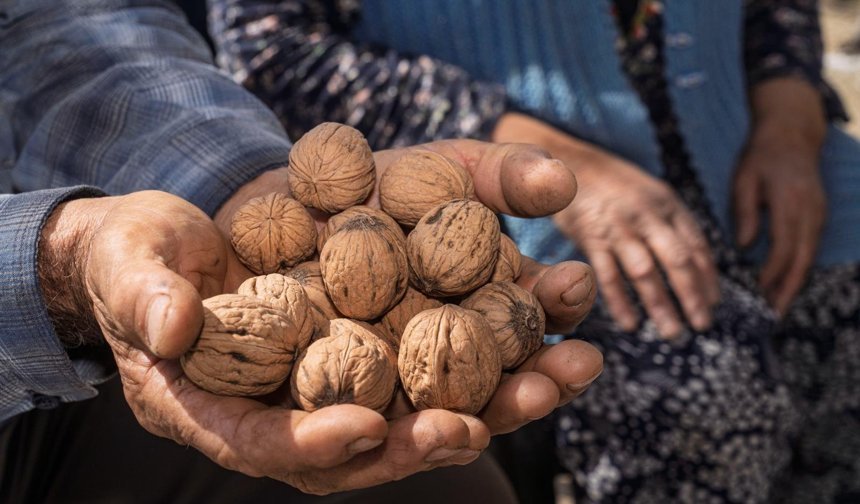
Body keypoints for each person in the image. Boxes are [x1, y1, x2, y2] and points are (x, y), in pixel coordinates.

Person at [206, 0, 860, 502]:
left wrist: (790, 111)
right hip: (483, 194)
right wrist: (525, 151)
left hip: (748, 141)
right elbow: (273, 52)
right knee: (700, 407)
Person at [0, 0, 605, 501]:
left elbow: (63, 31)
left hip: (62, 385)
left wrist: (227, 183)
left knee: (447, 488)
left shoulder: (358, 257)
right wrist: (56, 263)